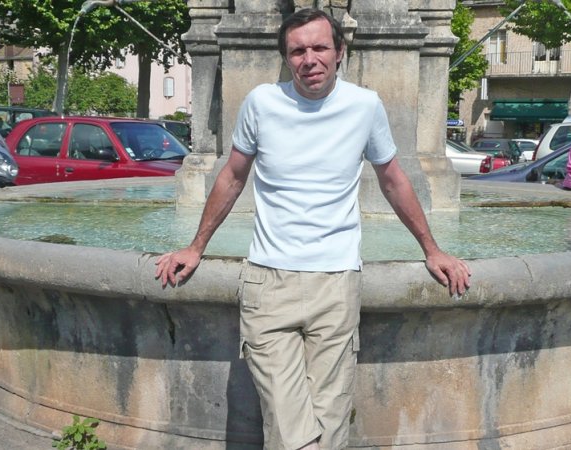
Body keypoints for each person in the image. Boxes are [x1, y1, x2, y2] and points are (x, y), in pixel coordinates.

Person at [156, 8, 471, 450]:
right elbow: (232, 176)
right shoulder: (262, 102)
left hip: (336, 283)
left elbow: (393, 180)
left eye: (320, 47)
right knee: (290, 432)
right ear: (286, 58)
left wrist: (431, 249)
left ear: (339, 51)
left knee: (331, 426)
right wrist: (196, 246)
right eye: (297, 51)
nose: (310, 59)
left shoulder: (365, 106)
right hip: (268, 284)